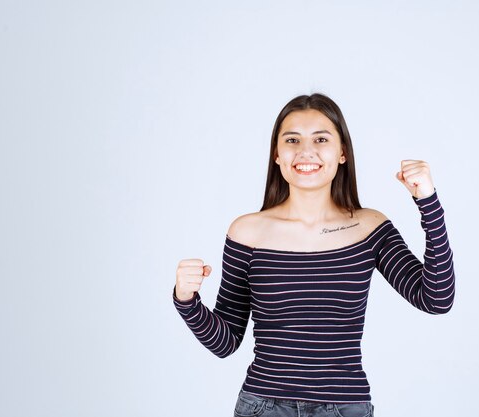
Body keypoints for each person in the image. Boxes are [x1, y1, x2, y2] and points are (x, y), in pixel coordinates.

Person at [173, 93, 455, 417]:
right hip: (263, 408)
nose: (306, 152)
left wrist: (428, 202)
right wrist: (186, 299)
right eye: (292, 139)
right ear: (277, 155)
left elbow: (436, 299)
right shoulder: (247, 232)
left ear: (342, 153)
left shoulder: (369, 227)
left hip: (345, 408)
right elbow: (226, 342)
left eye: (321, 139)